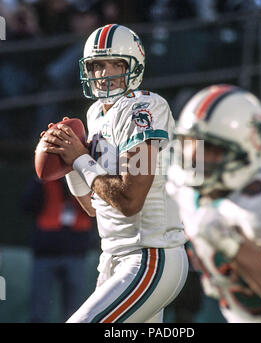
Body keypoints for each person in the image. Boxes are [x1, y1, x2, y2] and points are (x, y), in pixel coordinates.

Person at [40, 24, 188, 323]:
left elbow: (129, 200)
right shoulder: (95, 114)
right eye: (96, 65)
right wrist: (67, 161)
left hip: (149, 254)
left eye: (115, 64)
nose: (104, 73)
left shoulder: (144, 107)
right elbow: (93, 207)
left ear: (134, 66)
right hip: (115, 257)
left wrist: (80, 158)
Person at [167, 84, 261, 322]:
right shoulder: (182, 186)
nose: (197, 158)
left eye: (211, 148)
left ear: (249, 148)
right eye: (192, 144)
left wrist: (236, 249)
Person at [21, 176, 94, 323]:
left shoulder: (85, 179)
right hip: (46, 252)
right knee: (39, 306)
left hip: (75, 252)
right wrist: (39, 180)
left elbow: (95, 210)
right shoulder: (44, 181)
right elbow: (26, 206)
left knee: (74, 309)